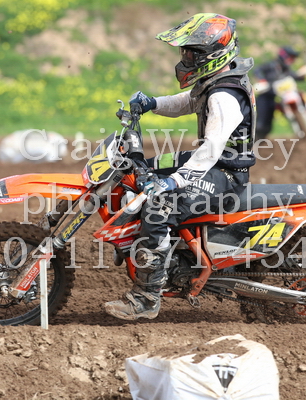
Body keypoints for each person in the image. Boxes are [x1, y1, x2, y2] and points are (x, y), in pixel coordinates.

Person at [104, 13, 257, 320]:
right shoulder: (216, 82)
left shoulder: (225, 96)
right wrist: (152, 103)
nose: (185, 59)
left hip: (223, 173)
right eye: (184, 53)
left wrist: (174, 181)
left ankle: (147, 297)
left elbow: (211, 149)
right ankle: (162, 247)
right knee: (137, 172)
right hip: (211, 164)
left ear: (212, 55)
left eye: (191, 53)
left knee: (158, 205)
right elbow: (188, 101)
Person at [253, 45, 306, 139]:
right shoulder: (271, 65)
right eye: (291, 57)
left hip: (282, 96)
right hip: (267, 97)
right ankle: (257, 140)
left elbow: (294, 76)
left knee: (301, 95)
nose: (292, 60)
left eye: (293, 58)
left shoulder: (286, 70)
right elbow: (257, 70)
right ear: (284, 55)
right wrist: (262, 80)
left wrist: (302, 76)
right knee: (263, 125)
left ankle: (305, 127)